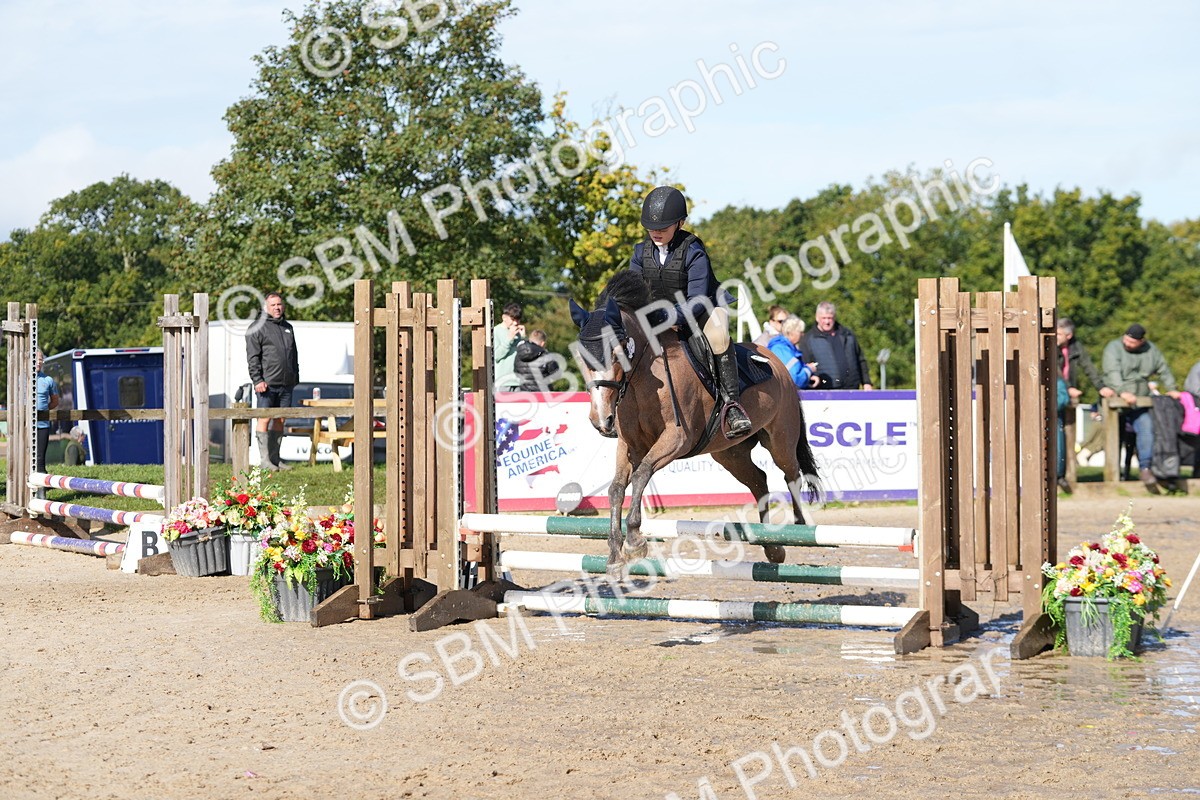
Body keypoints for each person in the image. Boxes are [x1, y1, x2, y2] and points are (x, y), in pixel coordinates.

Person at [630, 185, 750, 437]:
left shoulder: (694, 251)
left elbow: (696, 301)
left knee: (718, 337)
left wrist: (666, 316)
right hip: (659, 313)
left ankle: (733, 405)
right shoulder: (640, 253)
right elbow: (633, 293)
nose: (656, 233)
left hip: (703, 308)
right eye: (652, 228)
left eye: (663, 228)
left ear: (680, 223)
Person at [1101, 323, 1180, 492]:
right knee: (1114, 438)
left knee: (1147, 430)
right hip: (1117, 402)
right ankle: (1113, 475)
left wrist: (1172, 388)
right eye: (1126, 340)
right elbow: (1112, 371)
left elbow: (1163, 369)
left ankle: (1145, 468)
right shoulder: (1113, 348)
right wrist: (1122, 391)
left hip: (1139, 403)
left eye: (1132, 342)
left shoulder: (1151, 350)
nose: (1128, 344)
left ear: (1142, 341)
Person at [1055, 318, 1113, 491]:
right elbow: (1053, 370)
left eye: (1058, 333)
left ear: (1069, 335)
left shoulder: (1075, 347)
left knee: (1065, 434)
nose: (1054, 336)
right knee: (1058, 431)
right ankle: (1058, 474)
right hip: (1058, 390)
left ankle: (1063, 474)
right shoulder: (1048, 344)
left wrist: (1101, 387)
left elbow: (1089, 368)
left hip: (1064, 390)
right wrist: (1067, 388)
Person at [246, 292, 299, 471]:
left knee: (280, 419)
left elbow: (294, 354)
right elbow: (253, 358)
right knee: (264, 418)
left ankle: (276, 460)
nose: (277, 308)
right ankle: (265, 461)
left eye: (279, 304)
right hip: (266, 384)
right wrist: (257, 379)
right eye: (273, 305)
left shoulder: (288, 327)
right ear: (266, 307)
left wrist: (295, 376)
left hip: (286, 384)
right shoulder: (257, 327)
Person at [799, 301, 873, 390]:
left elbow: (860, 360)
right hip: (825, 392)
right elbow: (804, 365)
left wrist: (866, 382)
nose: (827, 322)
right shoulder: (808, 339)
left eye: (829, 318)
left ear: (834, 317)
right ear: (817, 318)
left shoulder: (848, 335)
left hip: (851, 389)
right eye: (824, 318)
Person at [766, 316, 819, 390]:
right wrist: (809, 369)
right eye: (800, 332)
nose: (802, 335)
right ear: (792, 332)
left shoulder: (786, 349)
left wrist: (808, 378)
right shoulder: (781, 349)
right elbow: (794, 380)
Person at [34, 349, 60, 474]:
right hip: (26, 425)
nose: (38, 362)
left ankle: (42, 487)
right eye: (36, 359)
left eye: (40, 359)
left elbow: (55, 401)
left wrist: (43, 411)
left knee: (40, 457)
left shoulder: (49, 380)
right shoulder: (22, 378)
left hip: (43, 425)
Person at [493, 303, 525, 391]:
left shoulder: (519, 333)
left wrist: (523, 338)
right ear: (504, 317)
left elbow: (525, 356)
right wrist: (509, 339)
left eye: (518, 320)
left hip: (519, 381)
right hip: (503, 382)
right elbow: (496, 356)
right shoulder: (495, 331)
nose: (515, 323)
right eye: (513, 319)